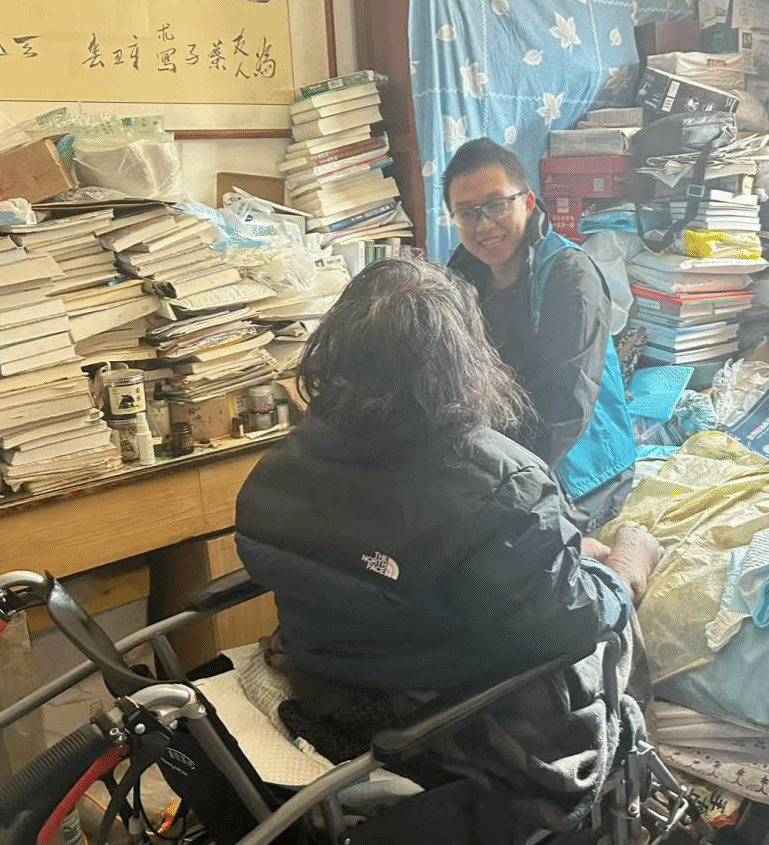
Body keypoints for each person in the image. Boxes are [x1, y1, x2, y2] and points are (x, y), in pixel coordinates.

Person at [235, 257, 662, 696]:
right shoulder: (507, 487)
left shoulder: (287, 461)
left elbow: (366, 565)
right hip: (437, 715)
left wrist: (561, 555)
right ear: (462, 358)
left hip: (318, 679)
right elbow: (574, 626)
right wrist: (625, 566)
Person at [444, 138, 636, 532]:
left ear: (528, 203)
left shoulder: (569, 275)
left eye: (496, 205)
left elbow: (567, 406)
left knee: (502, 545)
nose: (483, 225)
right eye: (466, 213)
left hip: (581, 466)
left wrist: (508, 482)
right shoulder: (462, 273)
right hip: (501, 446)